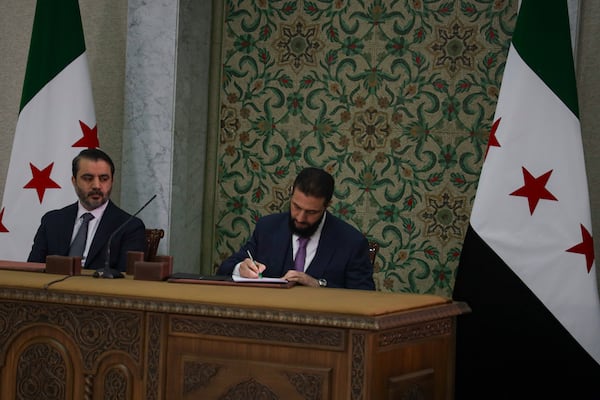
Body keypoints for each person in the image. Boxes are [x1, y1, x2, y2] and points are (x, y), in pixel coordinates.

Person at [217, 167, 376, 290]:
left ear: (327, 205)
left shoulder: (351, 242)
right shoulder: (268, 228)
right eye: (296, 206)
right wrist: (241, 269)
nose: (300, 218)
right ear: (291, 194)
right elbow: (225, 269)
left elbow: (364, 297)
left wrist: (318, 285)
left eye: (311, 212)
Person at [27, 148, 146, 272]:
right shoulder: (52, 221)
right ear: (74, 181)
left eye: (104, 179)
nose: (96, 185)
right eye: (88, 178)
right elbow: (33, 270)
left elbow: (127, 279)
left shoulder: (129, 227)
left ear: (112, 181)